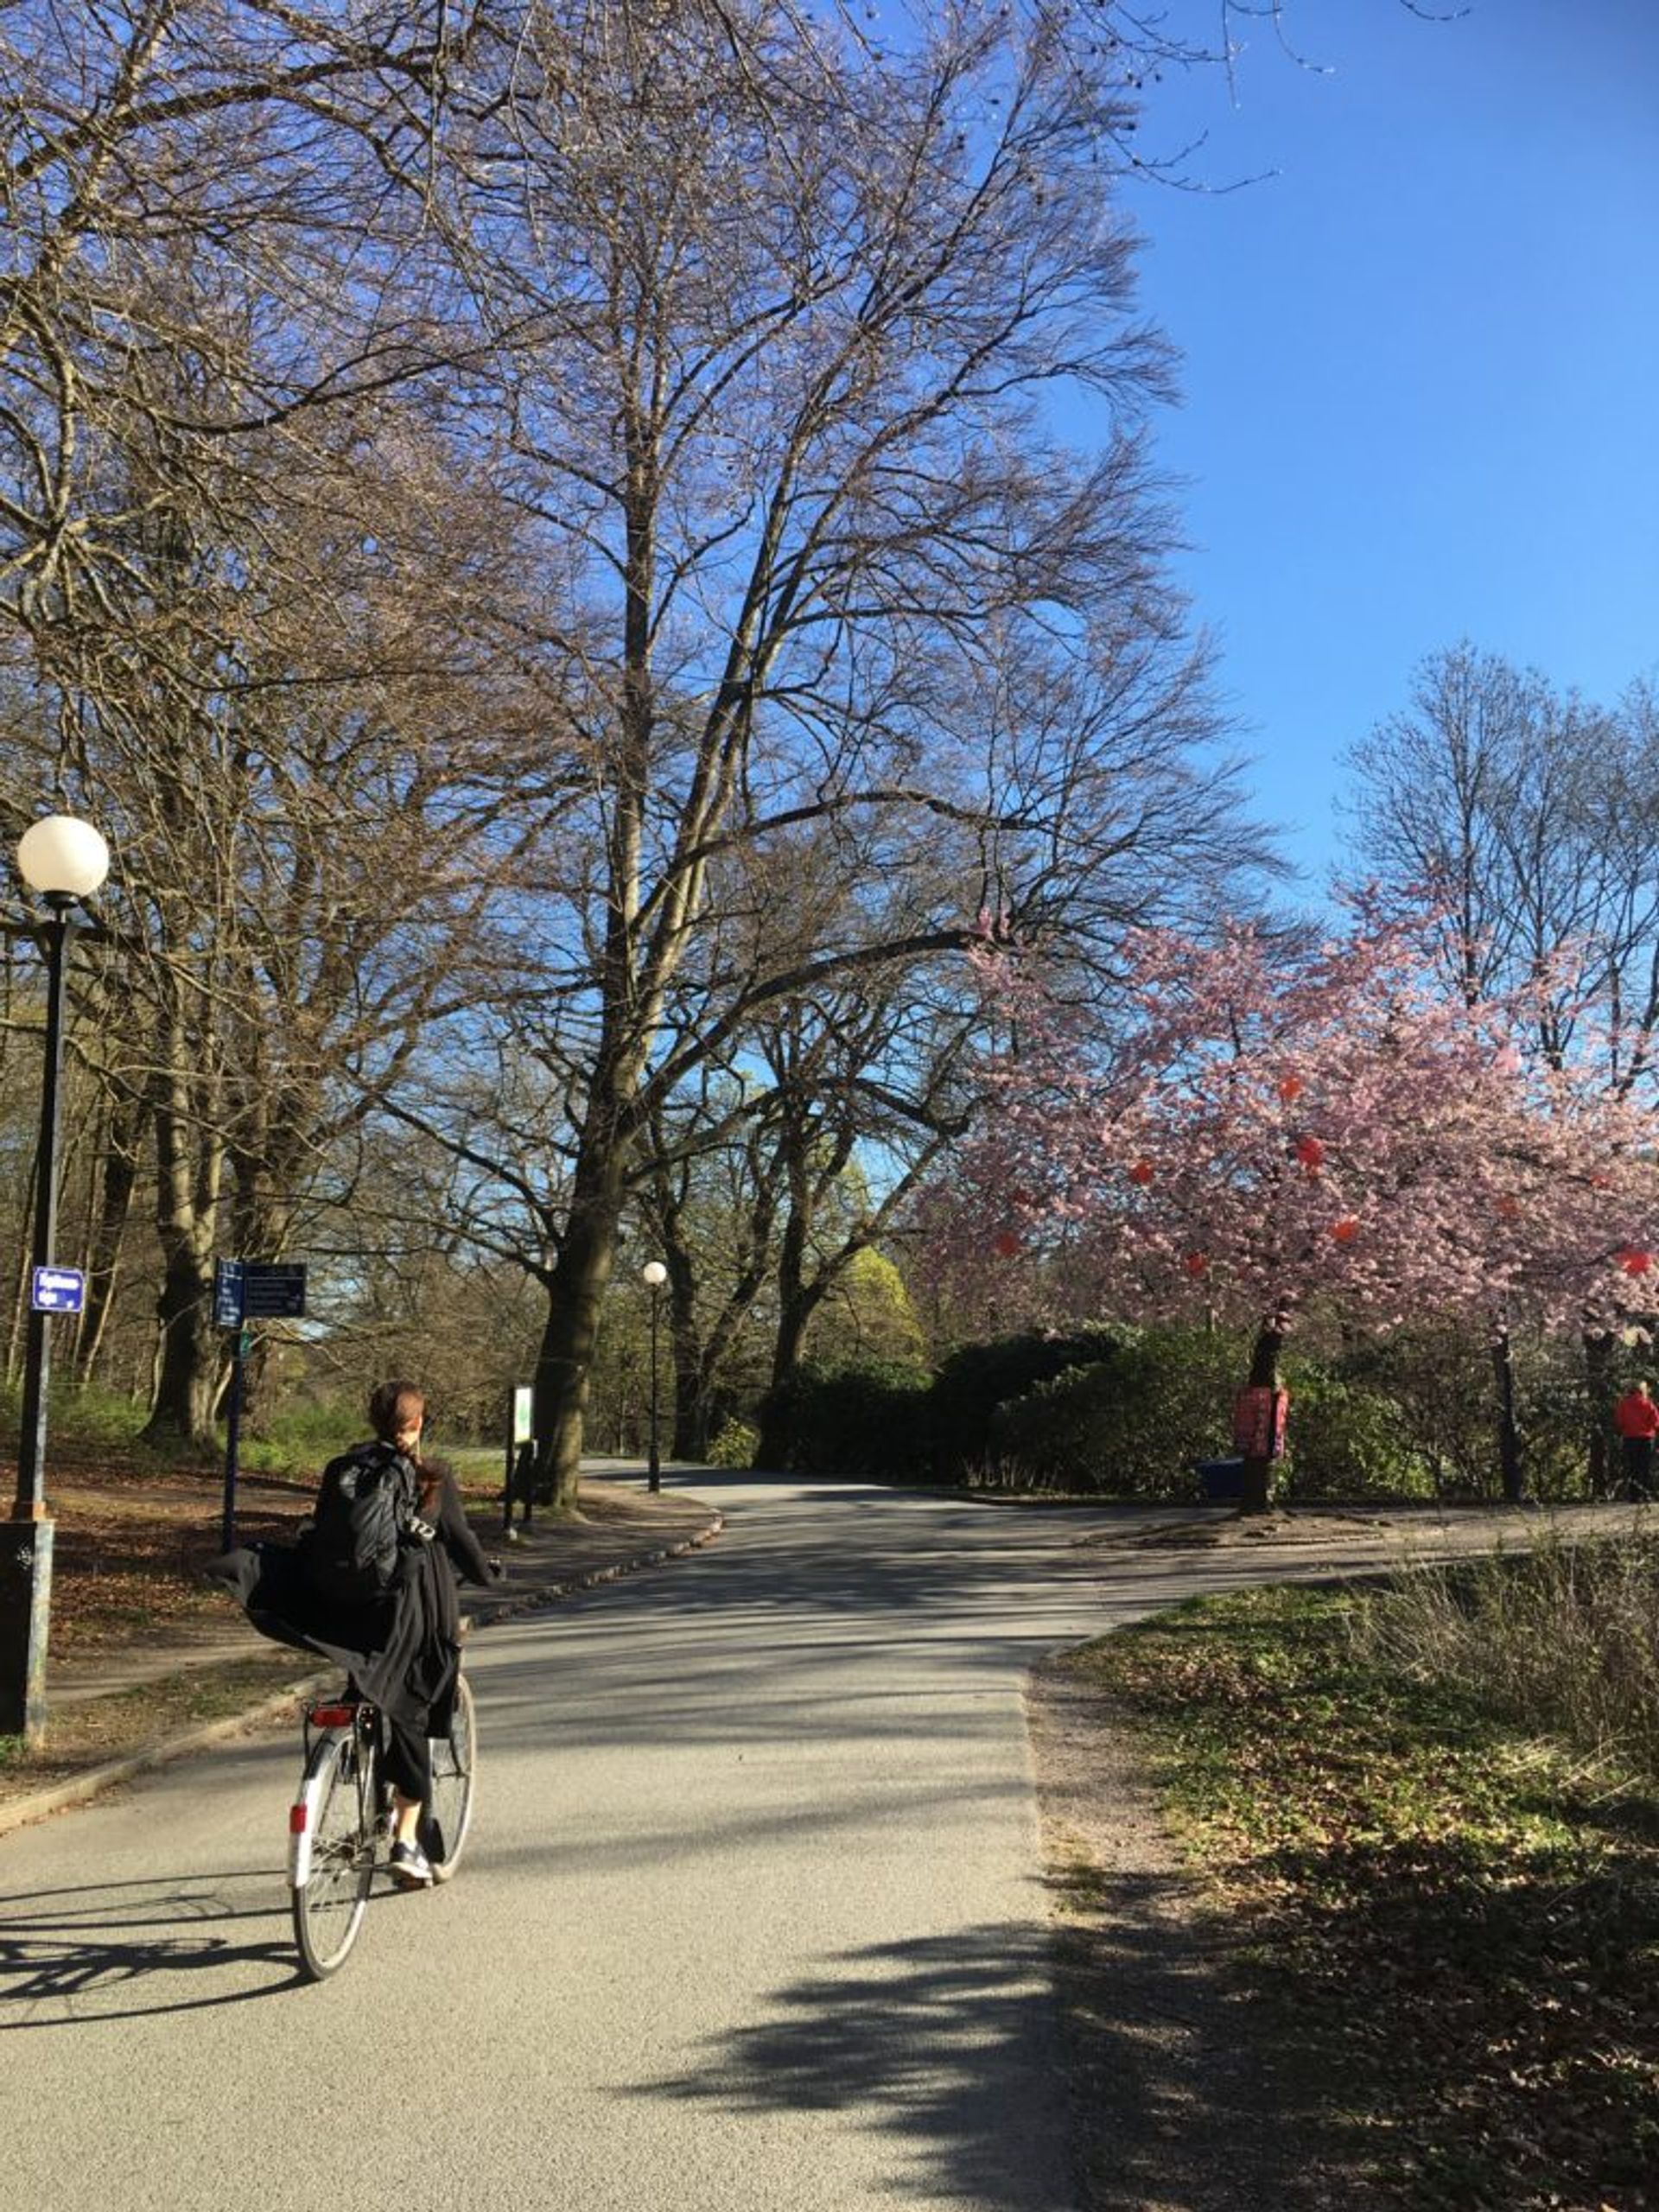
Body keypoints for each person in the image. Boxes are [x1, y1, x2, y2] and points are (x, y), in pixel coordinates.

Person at [209, 1378, 500, 1891]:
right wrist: (489, 1574)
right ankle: (407, 1843)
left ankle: (352, 1754)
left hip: (341, 1609)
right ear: (416, 1424)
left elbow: (329, 1539)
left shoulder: (342, 1470)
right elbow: (462, 1543)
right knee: (413, 1705)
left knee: (367, 1675)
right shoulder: (433, 1477)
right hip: (405, 1612)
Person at [1611, 1379, 1659, 1500]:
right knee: (1645, 1467)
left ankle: (1634, 1495)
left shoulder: (1623, 1404)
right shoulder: (1648, 1403)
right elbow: (1656, 1422)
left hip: (1630, 1438)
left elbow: (1620, 1422)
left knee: (1633, 1467)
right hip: (1646, 1438)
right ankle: (1646, 1494)